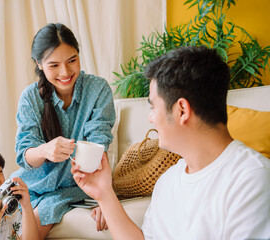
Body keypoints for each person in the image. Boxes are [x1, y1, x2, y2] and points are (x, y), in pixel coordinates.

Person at [72, 46, 270, 239]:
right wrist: (103, 193)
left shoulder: (252, 178)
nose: (150, 118)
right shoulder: (169, 180)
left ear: (181, 111)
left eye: (153, 107)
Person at [11, 23, 115, 238]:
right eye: (54, 65)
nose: (65, 72)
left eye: (72, 61)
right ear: (39, 64)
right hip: (31, 185)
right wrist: (44, 151)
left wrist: (105, 199)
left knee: (31, 228)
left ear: (78, 54)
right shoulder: (30, 98)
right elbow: (24, 156)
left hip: (71, 188)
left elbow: (99, 144)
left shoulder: (98, 89)